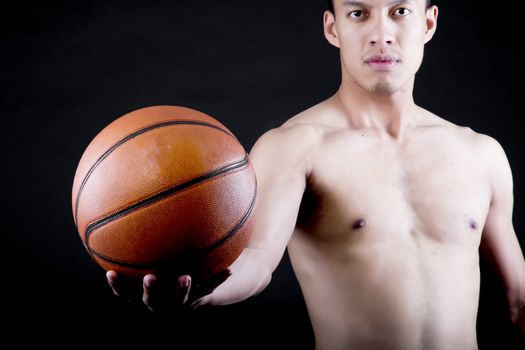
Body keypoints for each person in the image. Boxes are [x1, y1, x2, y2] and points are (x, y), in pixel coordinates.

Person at [106, 0, 525, 348]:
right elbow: (257, 261)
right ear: (333, 28)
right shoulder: (295, 146)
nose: (381, 33)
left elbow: (517, 302)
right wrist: (200, 290)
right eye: (358, 13)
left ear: (428, 23)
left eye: (400, 11)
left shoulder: (481, 154)